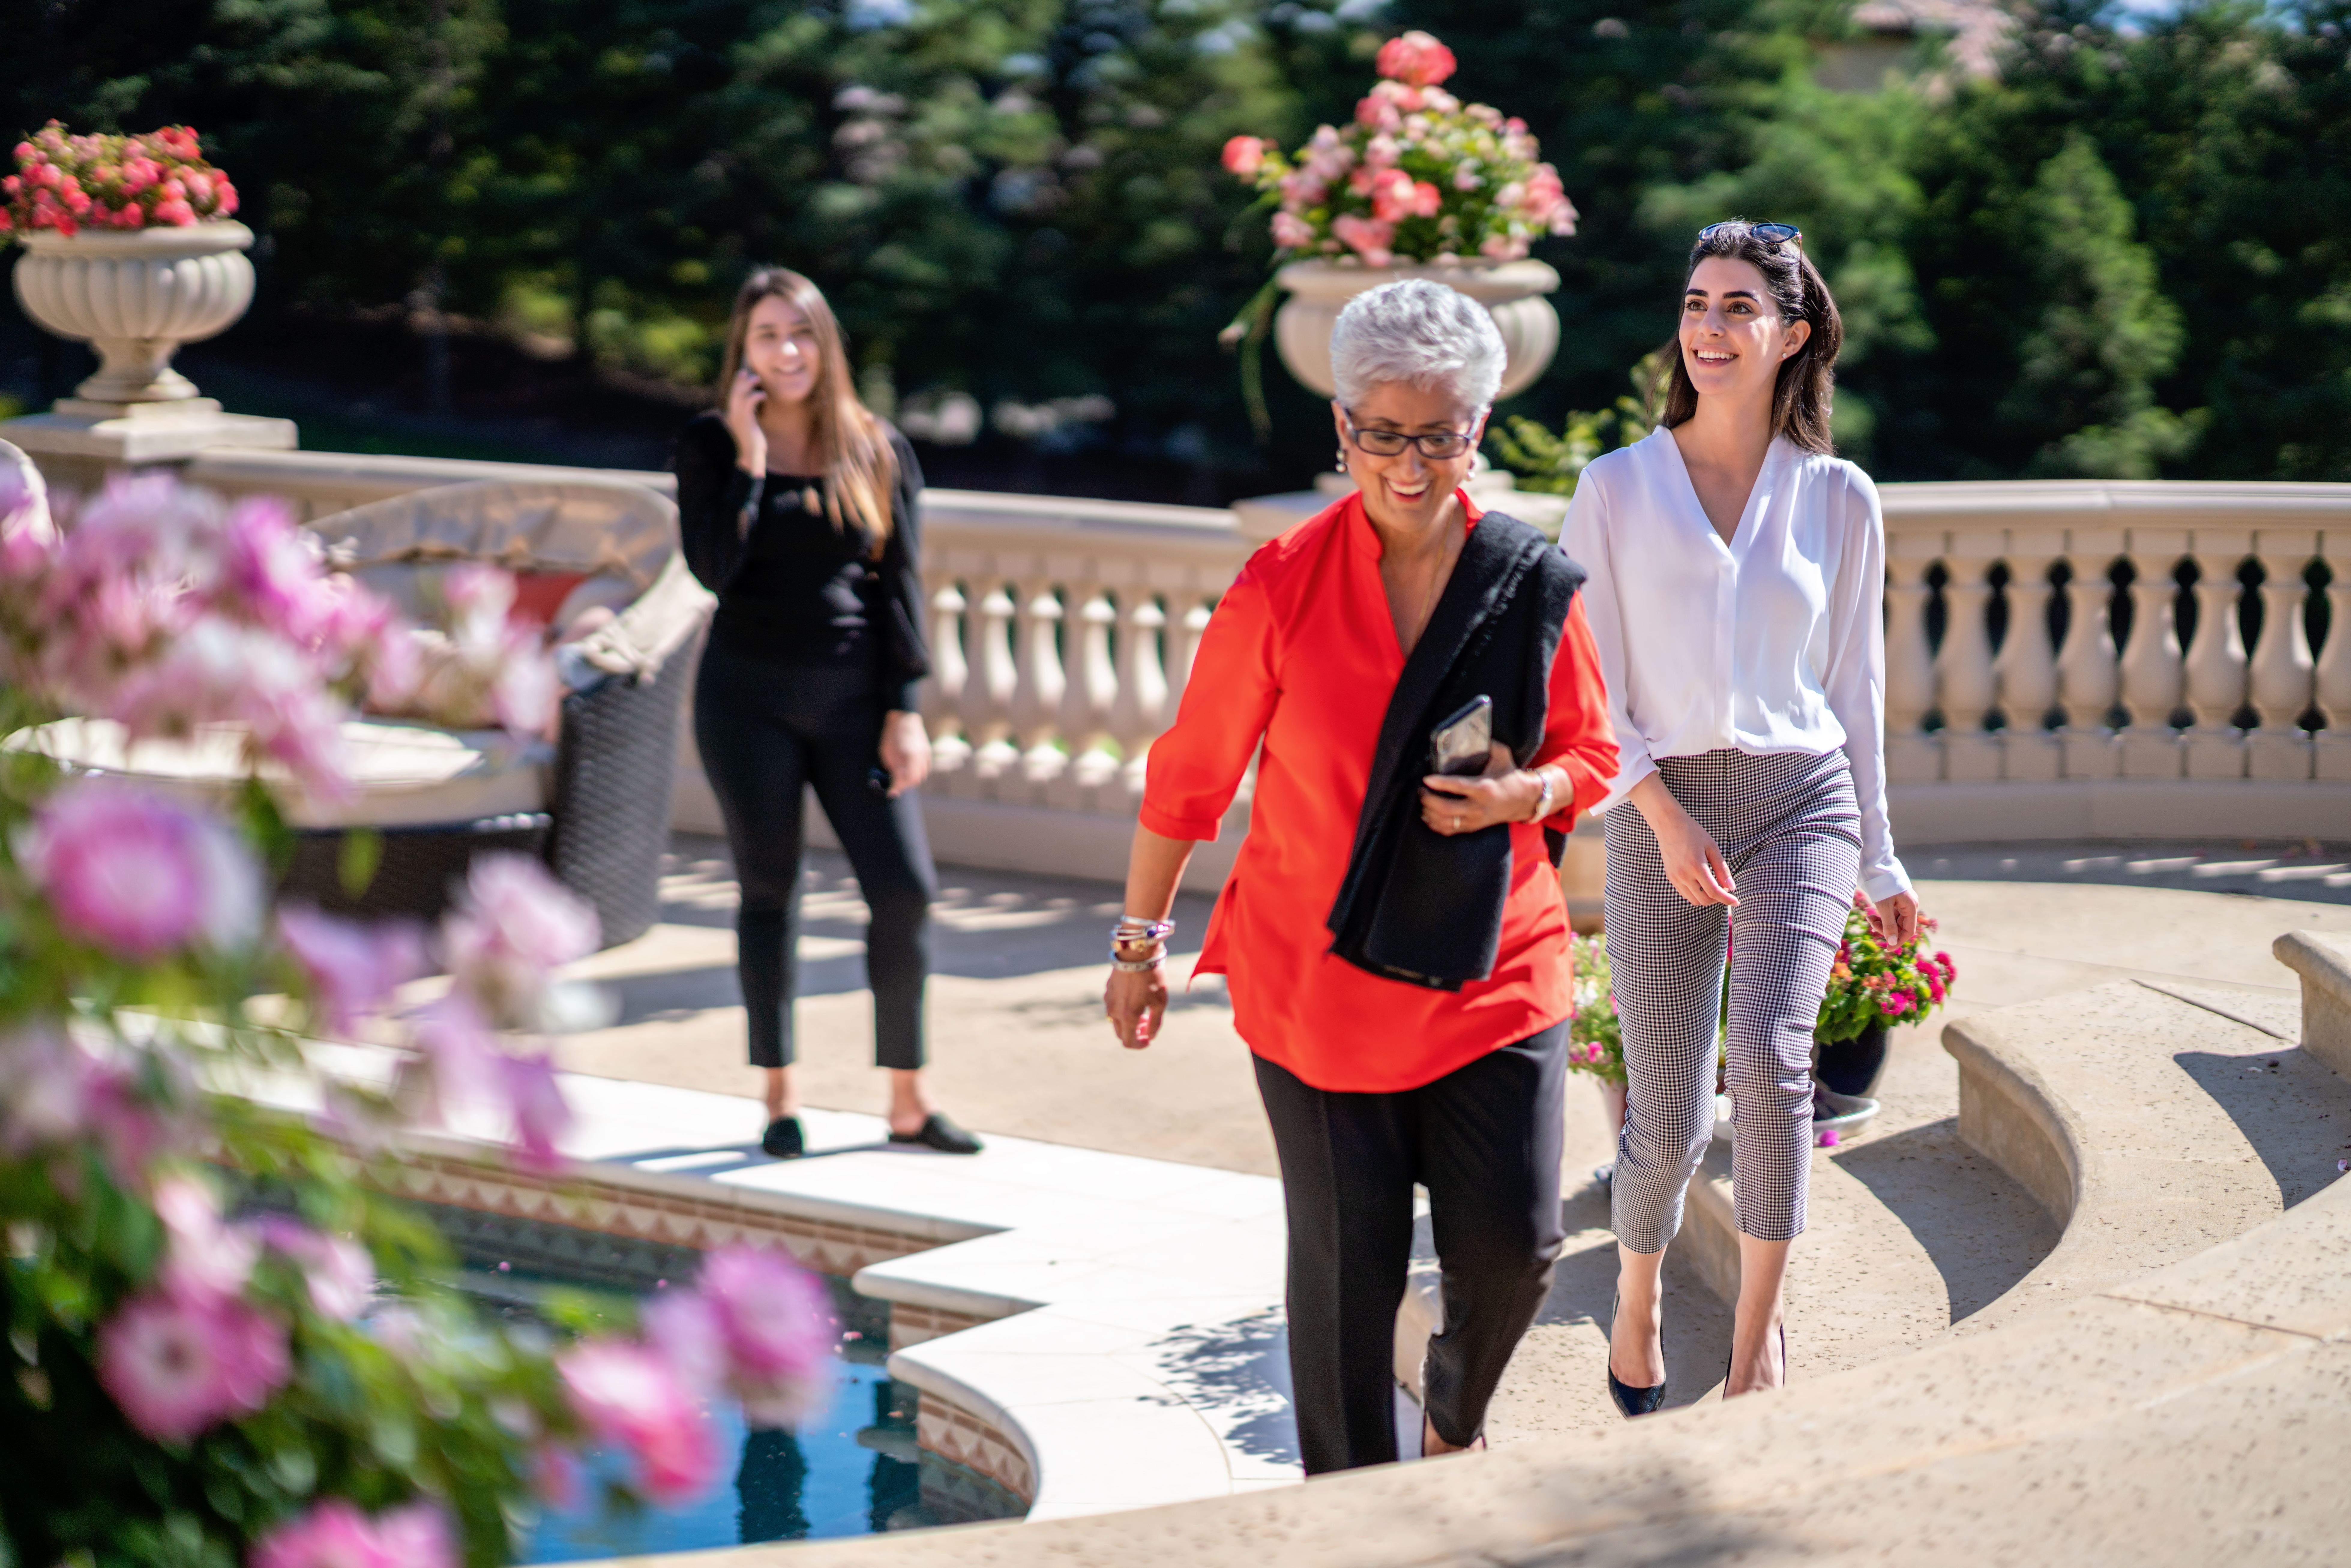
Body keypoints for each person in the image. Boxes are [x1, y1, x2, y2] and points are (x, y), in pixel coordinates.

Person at [1103, 280, 1619, 1473]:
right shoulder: (1281, 583)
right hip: (1318, 980)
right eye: (1381, 433)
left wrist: (1524, 795)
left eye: (1437, 434)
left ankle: (1453, 1410)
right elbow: (1190, 776)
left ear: (1476, 431)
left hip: (1500, 962)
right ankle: (1354, 1519)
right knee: (1345, 1286)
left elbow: (1591, 753)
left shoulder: (1531, 581)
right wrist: (1139, 942)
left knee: (1517, 1246)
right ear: (1341, 430)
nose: (1407, 462)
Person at [1565, 220, 1923, 1413]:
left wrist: (1879, 852)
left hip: (1800, 797)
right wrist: (1661, 816)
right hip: (1661, 801)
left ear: (1795, 334)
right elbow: (1588, 687)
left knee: (1771, 1062)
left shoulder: (1839, 496)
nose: (1709, 327)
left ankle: (1760, 1344)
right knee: (1663, 1118)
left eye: (1737, 307)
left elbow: (1855, 686)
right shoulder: (1615, 486)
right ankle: (1639, 1291)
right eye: (1696, 303)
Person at [674, 267, 980, 1160]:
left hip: (855, 702)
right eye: (767, 335)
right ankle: (779, 1097)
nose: (787, 351)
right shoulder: (708, 444)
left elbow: (900, 588)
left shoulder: (875, 446)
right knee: (769, 890)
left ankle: (909, 1102)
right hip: (745, 700)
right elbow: (711, 571)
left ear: (826, 344)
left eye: (801, 332)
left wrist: (904, 709)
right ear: (743, 351)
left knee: (904, 888)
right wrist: (746, 455)